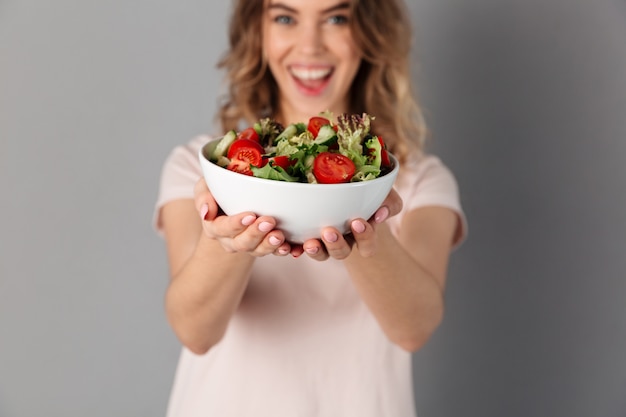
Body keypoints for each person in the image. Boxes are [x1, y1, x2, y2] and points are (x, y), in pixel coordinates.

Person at [153, 0, 466, 415]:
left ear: (372, 34)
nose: (309, 45)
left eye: (337, 18)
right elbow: (195, 332)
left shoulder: (417, 180)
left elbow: (414, 328)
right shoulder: (206, 170)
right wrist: (225, 233)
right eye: (285, 17)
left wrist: (368, 217)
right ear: (257, 33)